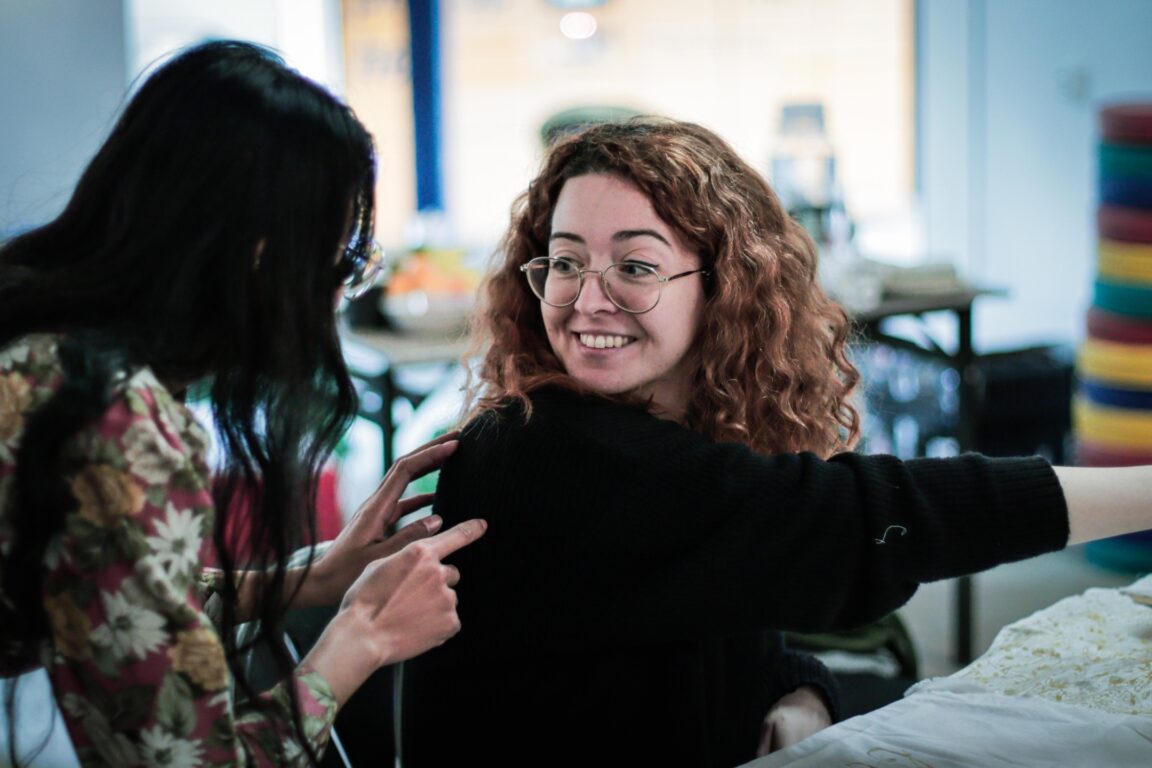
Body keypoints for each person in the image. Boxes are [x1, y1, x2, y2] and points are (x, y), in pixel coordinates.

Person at [398, 117, 1152, 768]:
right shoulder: (536, 451)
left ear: (723, 286)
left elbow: (716, 607)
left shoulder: (668, 439)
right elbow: (855, 522)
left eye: (634, 266)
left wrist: (800, 691)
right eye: (564, 261)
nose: (587, 298)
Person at [0, 40, 486, 767]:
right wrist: (362, 634)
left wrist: (313, 577)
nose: (336, 292)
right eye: (344, 259)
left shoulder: (34, 337)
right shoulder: (116, 420)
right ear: (262, 252)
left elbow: (112, 605)